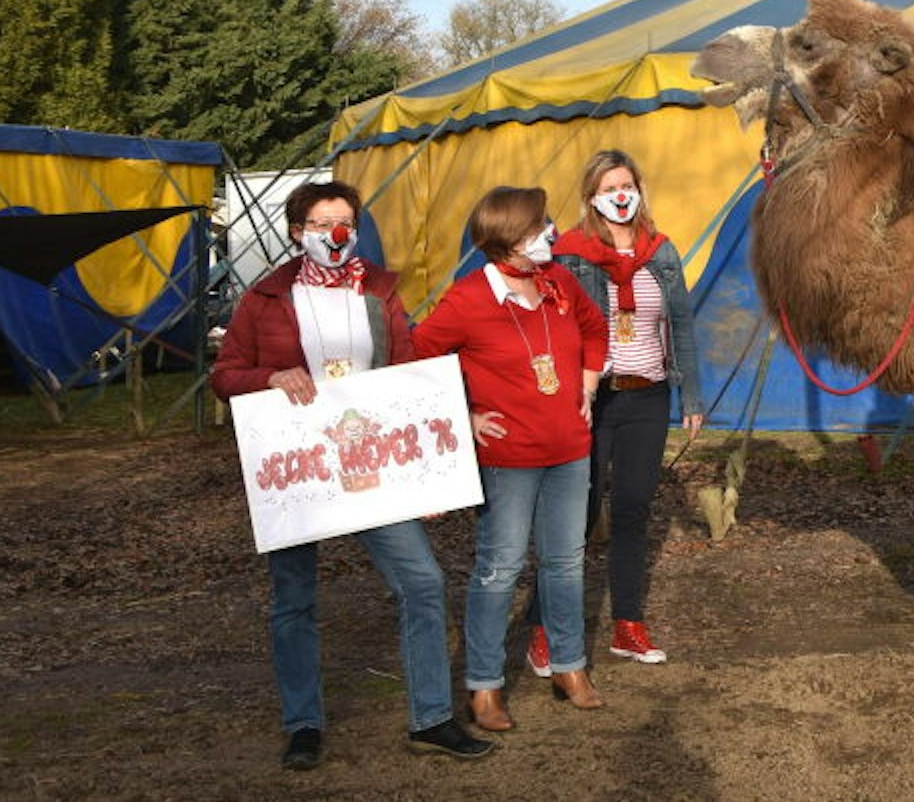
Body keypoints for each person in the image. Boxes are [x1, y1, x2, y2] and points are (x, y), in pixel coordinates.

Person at [210, 182, 494, 769]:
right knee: (294, 598)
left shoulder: (379, 291)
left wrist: (425, 475)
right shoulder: (266, 298)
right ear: (298, 232)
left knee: (422, 582)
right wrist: (269, 378)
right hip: (300, 470)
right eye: (321, 223)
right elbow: (226, 374)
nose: (335, 233)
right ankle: (303, 725)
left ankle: (431, 718)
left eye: (344, 221)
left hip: (372, 464)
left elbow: (408, 372)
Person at [414, 187, 609, 730]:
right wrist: (464, 416)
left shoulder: (559, 282)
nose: (551, 232)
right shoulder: (468, 299)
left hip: (569, 448)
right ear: (511, 239)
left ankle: (569, 667)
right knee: (500, 569)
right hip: (508, 458)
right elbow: (418, 356)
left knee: (565, 562)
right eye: (539, 226)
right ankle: (484, 685)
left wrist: (588, 384)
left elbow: (595, 330)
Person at [518, 150, 705, 675]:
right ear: (591, 197)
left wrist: (691, 396)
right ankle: (543, 627)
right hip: (593, 399)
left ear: (639, 189)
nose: (620, 196)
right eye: (608, 188)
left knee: (632, 511)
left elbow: (681, 325)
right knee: (575, 514)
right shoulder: (571, 254)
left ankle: (627, 623)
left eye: (627, 185)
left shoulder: (661, 252)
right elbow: (551, 324)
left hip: (648, 396)